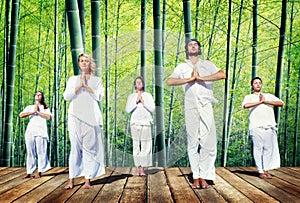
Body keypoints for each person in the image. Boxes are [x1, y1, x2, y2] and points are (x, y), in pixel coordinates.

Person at [167, 39, 226, 189]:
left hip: (206, 104)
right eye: (190, 44)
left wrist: (201, 78)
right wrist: (189, 79)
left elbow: (222, 74)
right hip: (190, 106)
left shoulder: (207, 64)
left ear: (199, 49)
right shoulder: (182, 66)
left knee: (209, 142)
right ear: (186, 49)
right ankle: (196, 176)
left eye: (195, 44)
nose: (193, 46)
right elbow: (170, 81)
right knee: (193, 141)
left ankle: (205, 175)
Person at [63, 53, 105, 189]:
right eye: (81, 61)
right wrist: (79, 86)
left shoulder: (97, 80)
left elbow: (99, 97)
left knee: (89, 149)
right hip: (74, 116)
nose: (83, 63)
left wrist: (87, 86)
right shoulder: (72, 79)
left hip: (91, 118)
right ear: (78, 63)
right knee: (75, 148)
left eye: (86, 60)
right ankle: (71, 180)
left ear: (90, 63)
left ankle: (87, 180)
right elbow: (66, 96)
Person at [242, 76, 283, 179]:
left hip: (269, 125)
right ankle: (260, 171)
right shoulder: (249, 96)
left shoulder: (268, 95)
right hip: (256, 126)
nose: (258, 84)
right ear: (252, 85)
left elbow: (281, 103)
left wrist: (266, 101)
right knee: (258, 148)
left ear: (262, 84)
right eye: (255, 83)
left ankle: (266, 170)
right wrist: (260, 102)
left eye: (259, 82)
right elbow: (245, 106)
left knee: (268, 148)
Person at [125, 76, 155, 176]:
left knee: (146, 146)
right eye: (137, 82)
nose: (138, 83)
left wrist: (143, 102)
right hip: (134, 123)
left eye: (140, 82)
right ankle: (137, 168)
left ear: (143, 84)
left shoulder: (148, 95)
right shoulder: (131, 96)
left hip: (146, 122)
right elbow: (128, 109)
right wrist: (135, 102)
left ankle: (143, 168)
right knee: (136, 145)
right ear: (134, 84)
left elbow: (152, 109)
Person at [20, 91, 52, 179]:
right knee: (30, 152)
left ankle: (39, 171)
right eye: (36, 94)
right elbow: (21, 115)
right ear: (34, 96)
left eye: (40, 94)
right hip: (30, 131)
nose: (38, 95)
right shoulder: (29, 107)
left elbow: (49, 117)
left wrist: (38, 112)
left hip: (41, 132)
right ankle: (29, 172)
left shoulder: (45, 107)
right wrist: (32, 112)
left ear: (42, 97)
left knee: (41, 152)